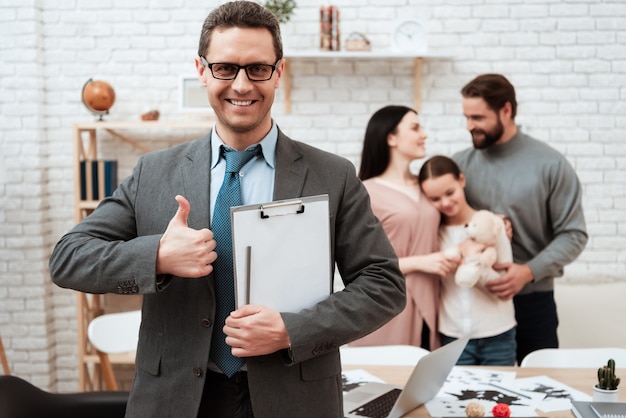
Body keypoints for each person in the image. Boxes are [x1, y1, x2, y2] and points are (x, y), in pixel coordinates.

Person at [49, 2, 405, 417]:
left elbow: (383, 285)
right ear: (202, 71)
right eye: (224, 68)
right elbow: (68, 258)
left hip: (295, 397)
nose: (241, 84)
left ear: (278, 72)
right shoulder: (154, 173)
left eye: (257, 68)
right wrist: (158, 256)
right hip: (176, 400)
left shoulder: (333, 175)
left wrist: (293, 329)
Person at [453, 73, 588, 365]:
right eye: (466, 117)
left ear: (506, 110)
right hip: (476, 302)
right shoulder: (460, 165)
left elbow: (574, 234)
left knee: (542, 388)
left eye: (477, 117)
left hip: (533, 301)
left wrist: (527, 272)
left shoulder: (550, 164)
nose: (469, 126)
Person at [351, 105, 459, 350]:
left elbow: (456, 220)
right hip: (388, 304)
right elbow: (358, 265)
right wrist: (421, 262)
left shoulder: (428, 188)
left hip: (432, 302)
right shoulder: (365, 192)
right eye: (415, 128)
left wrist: (495, 224)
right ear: (391, 138)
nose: (424, 135)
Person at [418, 155, 517, 365]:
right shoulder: (433, 232)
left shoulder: (491, 225)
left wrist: (473, 261)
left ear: (461, 180)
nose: (445, 203)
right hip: (453, 336)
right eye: (435, 199)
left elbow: (503, 286)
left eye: (450, 192)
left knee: (498, 397)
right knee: (456, 398)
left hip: (497, 334)